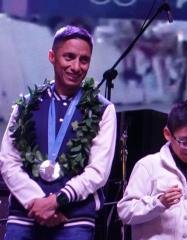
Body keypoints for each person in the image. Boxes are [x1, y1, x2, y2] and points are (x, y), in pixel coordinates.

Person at [0, 25, 117, 239]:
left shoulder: (103, 109)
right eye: (69, 57)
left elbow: (98, 171)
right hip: (25, 216)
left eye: (84, 60)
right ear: (52, 57)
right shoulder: (26, 105)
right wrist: (36, 202)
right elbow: (8, 160)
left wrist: (56, 201)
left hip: (74, 220)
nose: (76, 66)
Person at [117, 99, 187, 240]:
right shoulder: (148, 166)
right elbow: (124, 212)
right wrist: (158, 202)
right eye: (185, 142)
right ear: (167, 134)